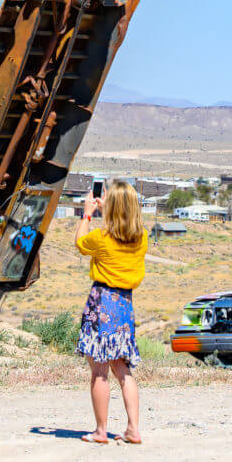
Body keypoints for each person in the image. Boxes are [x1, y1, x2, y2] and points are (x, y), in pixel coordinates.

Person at [74, 179, 147, 445]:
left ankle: (101, 430)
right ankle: (133, 429)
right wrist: (111, 209)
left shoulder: (102, 239)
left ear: (112, 207)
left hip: (102, 301)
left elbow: (81, 242)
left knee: (99, 371)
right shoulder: (142, 237)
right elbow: (124, 226)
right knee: (122, 368)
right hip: (124, 305)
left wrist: (88, 213)